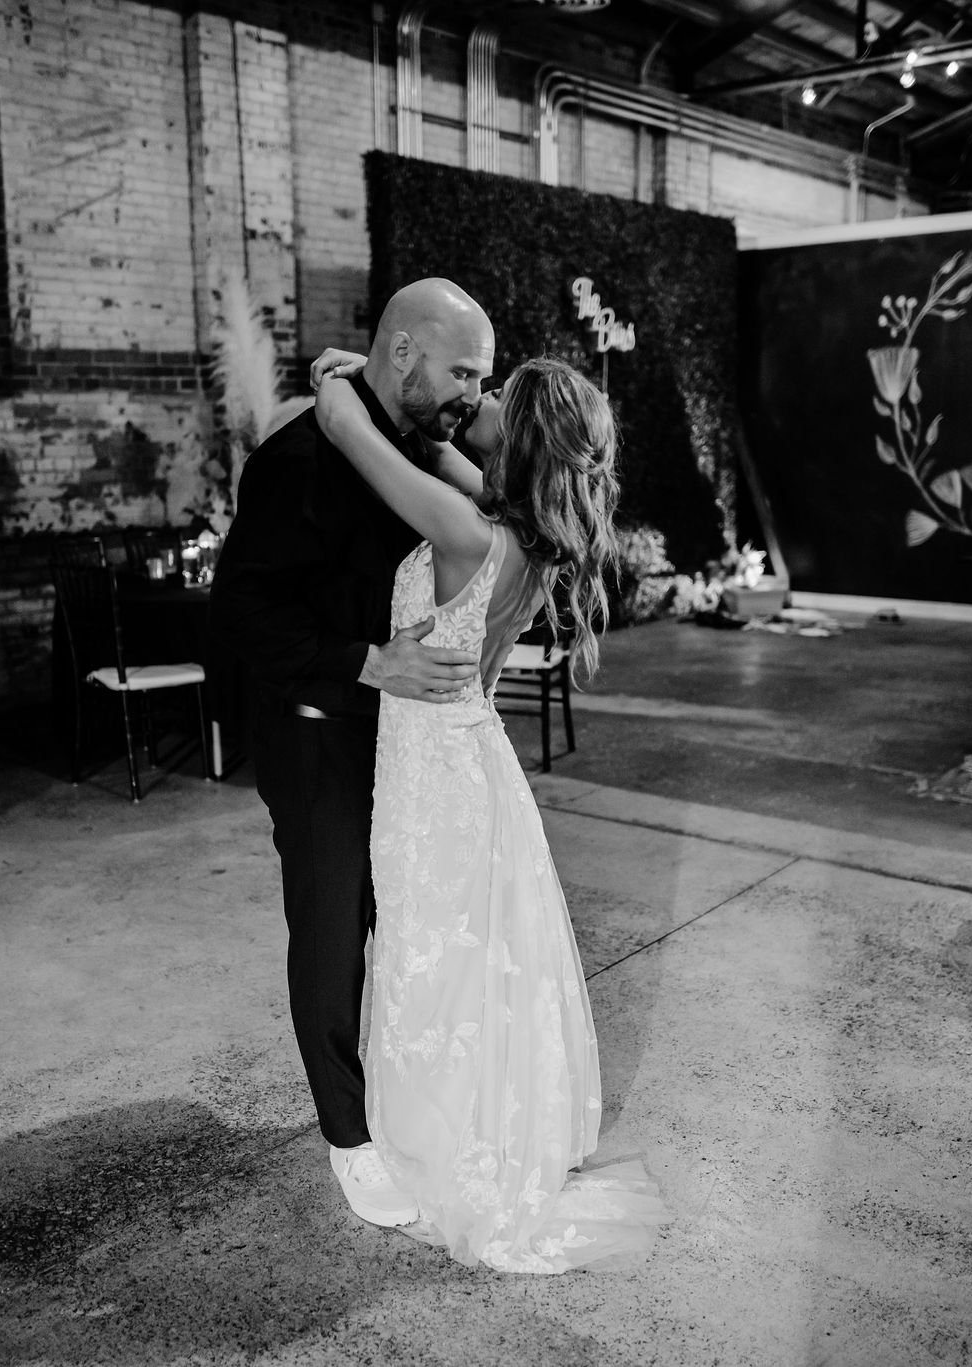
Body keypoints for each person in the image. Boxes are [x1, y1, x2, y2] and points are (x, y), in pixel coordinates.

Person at [306, 342, 671, 1273]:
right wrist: (401, 380)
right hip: (469, 764)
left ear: (522, 433)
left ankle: (440, 1141)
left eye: (501, 394)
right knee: (465, 960)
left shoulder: (469, 534)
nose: (487, 398)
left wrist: (344, 386)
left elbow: (356, 434)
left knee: (436, 958)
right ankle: (471, 1118)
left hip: (435, 780)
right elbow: (433, 453)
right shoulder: (521, 529)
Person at [208, 279, 493, 1231]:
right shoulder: (294, 459)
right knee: (332, 927)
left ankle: (402, 1092)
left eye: (484, 379)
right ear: (403, 352)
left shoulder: (412, 448)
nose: (472, 393)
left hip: (401, 734)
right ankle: (346, 1136)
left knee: (399, 919)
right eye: (461, 371)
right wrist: (369, 662)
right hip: (316, 729)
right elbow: (242, 612)